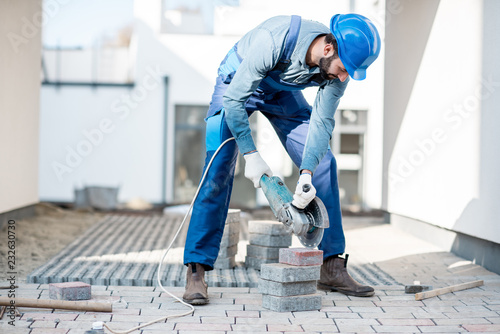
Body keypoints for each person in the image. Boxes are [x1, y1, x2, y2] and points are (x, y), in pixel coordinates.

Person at [182, 13, 381, 305]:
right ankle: (196, 270)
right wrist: (251, 155)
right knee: (217, 167)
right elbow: (235, 101)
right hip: (235, 85)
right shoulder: (273, 40)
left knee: (325, 163)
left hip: (279, 93)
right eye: (343, 69)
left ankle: (331, 266)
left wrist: (307, 174)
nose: (343, 77)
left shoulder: (339, 67)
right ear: (328, 49)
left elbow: (322, 123)